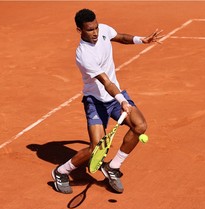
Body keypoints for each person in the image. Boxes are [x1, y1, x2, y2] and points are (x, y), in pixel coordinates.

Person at [52, 8, 163, 194]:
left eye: (95, 27)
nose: (95, 32)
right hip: (96, 101)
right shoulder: (83, 55)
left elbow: (119, 37)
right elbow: (106, 82)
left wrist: (140, 40)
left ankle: (113, 167)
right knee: (96, 148)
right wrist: (122, 100)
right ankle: (61, 171)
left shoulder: (103, 30)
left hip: (115, 96)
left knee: (140, 125)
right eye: (89, 30)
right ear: (79, 30)